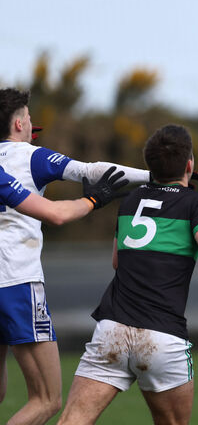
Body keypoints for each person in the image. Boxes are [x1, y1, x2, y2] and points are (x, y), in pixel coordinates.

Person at [57, 124, 198, 425]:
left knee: (73, 420)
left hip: (112, 328)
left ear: (149, 166)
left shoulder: (130, 200)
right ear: (190, 164)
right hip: (161, 336)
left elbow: (117, 261)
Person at [0, 87, 148, 425]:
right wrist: (155, 177)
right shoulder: (30, 156)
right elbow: (93, 172)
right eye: (30, 116)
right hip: (17, 283)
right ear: (21, 123)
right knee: (46, 401)